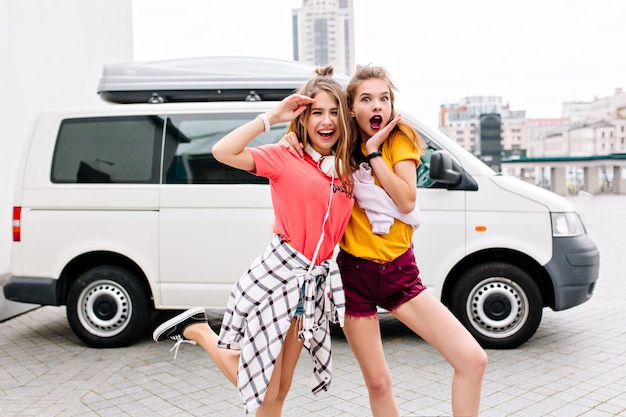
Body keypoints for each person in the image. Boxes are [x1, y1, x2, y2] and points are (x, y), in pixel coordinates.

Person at [151, 66, 398, 417]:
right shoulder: (284, 157)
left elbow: (376, 125)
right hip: (279, 274)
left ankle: (197, 330)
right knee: (263, 384)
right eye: (316, 113)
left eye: (333, 113)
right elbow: (223, 151)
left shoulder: (344, 166)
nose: (325, 121)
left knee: (280, 389)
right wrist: (273, 117)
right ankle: (199, 331)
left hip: (312, 285)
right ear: (303, 118)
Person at [282, 65, 488, 417]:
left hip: (400, 275)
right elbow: (307, 147)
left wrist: (375, 153)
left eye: (384, 98)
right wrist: (289, 139)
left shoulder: (399, 140)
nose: (377, 106)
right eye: (366, 99)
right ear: (351, 109)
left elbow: (406, 200)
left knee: (472, 359)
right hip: (354, 278)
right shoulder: (341, 148)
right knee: (378, 383)